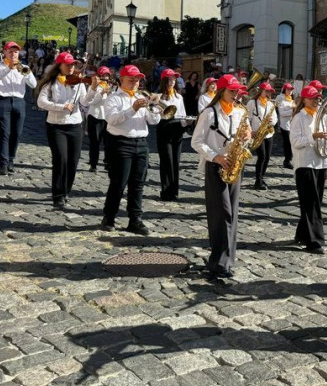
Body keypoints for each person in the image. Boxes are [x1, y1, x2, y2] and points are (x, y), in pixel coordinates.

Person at [191, 74, 249, 279]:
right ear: (221, 91)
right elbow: (196, 142)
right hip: (216, 166)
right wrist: (215, 157)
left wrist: (246, 138)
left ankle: (228, 259)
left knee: (232, 212)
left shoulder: (240, 112)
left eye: (237, 92)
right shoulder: (209, 113)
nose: (235, 95)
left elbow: (243, 140)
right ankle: (218, 260)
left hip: (234, 164)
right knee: (221, 213)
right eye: (232, 91)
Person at [100, 65, 161, 235]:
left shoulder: (142, 96)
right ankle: (109, 217)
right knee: (118, 183)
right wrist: (132, 108)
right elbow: (112, 120)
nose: (135, 82)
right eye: (131, 79)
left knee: (138, 184)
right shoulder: (113, 98)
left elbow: (154, 121)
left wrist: (154, 107)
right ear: (121, 79)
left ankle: (135, 220)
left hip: (141, 142)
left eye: (138, 79)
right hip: (120, 143)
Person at [36, 52, 91, 210]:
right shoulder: (51, 84)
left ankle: (66, 190)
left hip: (75, 125)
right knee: (60, 160)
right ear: (59, 65)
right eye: (67, 64)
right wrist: (61, 107)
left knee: (73, 161)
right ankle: (58, 195)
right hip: (56, 126)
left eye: (73, 64)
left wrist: (93, 88)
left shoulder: (79, 83)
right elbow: (41, 102)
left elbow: (85, 101)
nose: (71, 67)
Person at [290, 86, 327, 254]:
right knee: (311, 203)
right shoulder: (299, 118)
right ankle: (314, 241)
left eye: (317, 98)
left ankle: (302, 233)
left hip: (320, 163)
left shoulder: (321, 116)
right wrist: (313, 136)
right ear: (304, 99)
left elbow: (325, 143)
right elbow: (296, 142)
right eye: (313, 98)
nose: (316, 101)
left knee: (315, 202)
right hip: (305, 163)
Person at [0, 42, 38, 175]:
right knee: (4, 133)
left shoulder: (23, 67)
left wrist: (23, 71)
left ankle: (11, 159)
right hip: (2, 100)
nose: (13, 54)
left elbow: (33, 85)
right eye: (10, 51)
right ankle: (3, 163)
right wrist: (8, 69)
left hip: (19, 101)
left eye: (15, 52)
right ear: (4, 52)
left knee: (17, 133)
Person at [156, 69, 188, 201]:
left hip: (177, 128)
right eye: (169, 80)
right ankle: (166, 190)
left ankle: (174, 190)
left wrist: (186, 123)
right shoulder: (158, 96)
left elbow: (182, 113)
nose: (171, 82)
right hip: (164, 127)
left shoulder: (179, 97)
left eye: (173, 80)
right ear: (164, 81)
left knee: (175, 160)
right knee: (166, 160)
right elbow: (155, 116)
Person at [247, 82, 278, 190]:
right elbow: (247, 118)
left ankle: (261, 177)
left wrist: (271, 122)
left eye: (269, 91)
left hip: (268, 133)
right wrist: (251, 131)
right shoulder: (252, 102)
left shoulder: (270, 104)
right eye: (266, 91)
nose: (268, 93)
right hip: (257, 133)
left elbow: (275, 118)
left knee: (267, 158)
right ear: (261, 90)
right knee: (262, 157)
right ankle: (258, 180)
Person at [84, 66, 113, 172]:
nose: (106, 77)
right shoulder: (94, 86)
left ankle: (108, 162)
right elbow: (92, 102)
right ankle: (93, 164)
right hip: (95, 116)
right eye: (104, 75)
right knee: (95, 142)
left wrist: (111, 94)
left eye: (107, 75)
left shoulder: (111, 86)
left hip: (107, 117)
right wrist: (102, 93)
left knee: (108, 143)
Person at [276, 83, 295, 169]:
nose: (290, 91)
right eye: (288, 89)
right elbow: (282, 113)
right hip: (284, 125)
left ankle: (289, 159)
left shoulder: (291, 99)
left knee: (291, 143)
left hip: (292, 125)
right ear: (284, 90)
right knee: (287, 144)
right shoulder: (281, 98)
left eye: (291, 89)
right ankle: (287, 161)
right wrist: (292, 110)